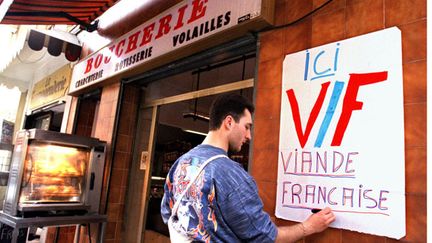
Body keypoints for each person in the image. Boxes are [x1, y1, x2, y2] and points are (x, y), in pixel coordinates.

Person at [161, 93, 335, 242]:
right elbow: (265, 236)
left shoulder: (180, 164)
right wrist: (308, 227)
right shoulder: (231, 174)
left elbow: (167, 213)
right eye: (247, 127)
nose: (248, 136)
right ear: (229, 122)